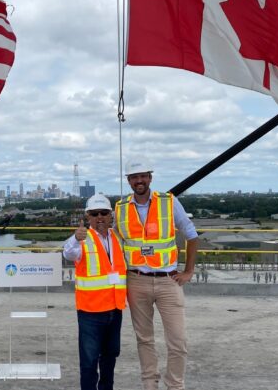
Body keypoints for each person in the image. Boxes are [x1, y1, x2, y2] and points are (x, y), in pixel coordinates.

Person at [114, 157, 199, 390]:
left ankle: (175, 385)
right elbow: (111, 240)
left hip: (167, 281)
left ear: (150, 178)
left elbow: (192, 235)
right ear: (128, 181)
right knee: (144, 339)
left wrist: (188, 271)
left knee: (178, 341)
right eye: (134, 177)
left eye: (143, 176)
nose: (139, 181)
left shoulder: (168, 202)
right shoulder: (120, 208)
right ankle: (149, 384)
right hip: (136, 280)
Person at [63, 194, 127, 390]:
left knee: (110, 357)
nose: (100, 217)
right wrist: (75, 238)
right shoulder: (83, 238)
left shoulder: (117, 237)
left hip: (115, 310)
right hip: (91, 312)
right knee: (89, 361)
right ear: (88, 216)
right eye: (94, 213)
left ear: (110, 216)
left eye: (104, 213)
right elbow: (68, 252)